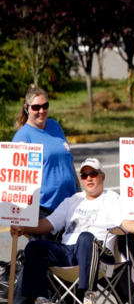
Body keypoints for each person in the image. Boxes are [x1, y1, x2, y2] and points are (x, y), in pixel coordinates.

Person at [10, 158, 134, 304]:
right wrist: (23, 228)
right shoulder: (73, 200)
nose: (88, 178)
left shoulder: (111, 199)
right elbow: (48, 223)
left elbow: (124, 222)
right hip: (69, 253)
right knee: (34, 247)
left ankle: (89, 294)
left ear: (102, 177)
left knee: (85, 237)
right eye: (84, 175)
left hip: (99, 254)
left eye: (93, 174)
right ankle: (41, 298)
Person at [13, 85, 81, 226]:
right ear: (27, 108)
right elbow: (16, 179)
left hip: (70, 205)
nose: (41, 111)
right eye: (36, 107)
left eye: (45, 106)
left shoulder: (54, 125)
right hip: (44, 210)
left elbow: (68, 159)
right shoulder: (23, 137)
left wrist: (78, 188)